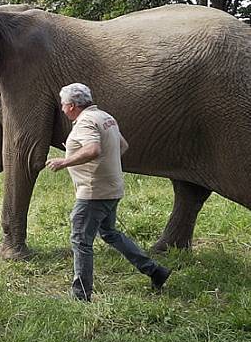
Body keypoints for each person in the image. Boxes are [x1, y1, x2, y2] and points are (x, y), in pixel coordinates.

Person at [45, 83, 171, 301]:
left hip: (94, 192)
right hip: (112, 188)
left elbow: (93, 149)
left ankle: (81, 295)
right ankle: (155, 271)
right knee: (109, 233)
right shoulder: (105, 117)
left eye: (64, 104)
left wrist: (65, 162)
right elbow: (122, 146)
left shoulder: (85, 122)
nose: (62, 108)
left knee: (80, 240)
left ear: (73, 105)